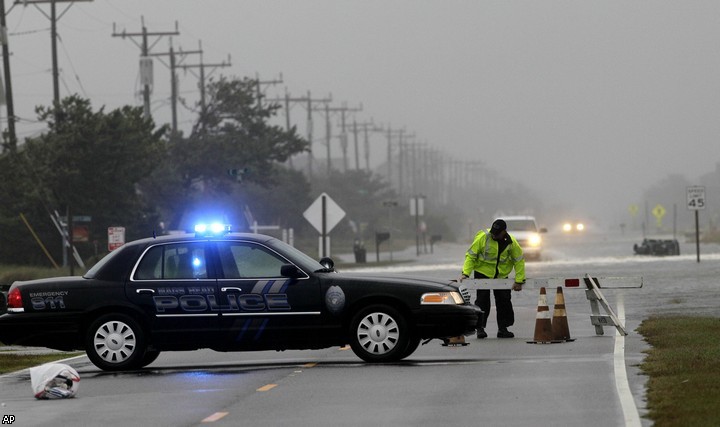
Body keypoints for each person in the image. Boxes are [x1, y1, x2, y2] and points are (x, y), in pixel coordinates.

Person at [459, 219, 526, 338]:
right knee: (482, 300)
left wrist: (519, 280)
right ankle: (480, 329)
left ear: (504, 232)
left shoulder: (511, 243)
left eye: (497, 233)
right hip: (482, 273)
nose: (494, 235)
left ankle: (503, 329)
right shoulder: (483, 238)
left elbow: (519, 260)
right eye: (493, 232)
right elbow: (471, 256)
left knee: (504, 301)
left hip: (501, 275)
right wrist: (466, 273)